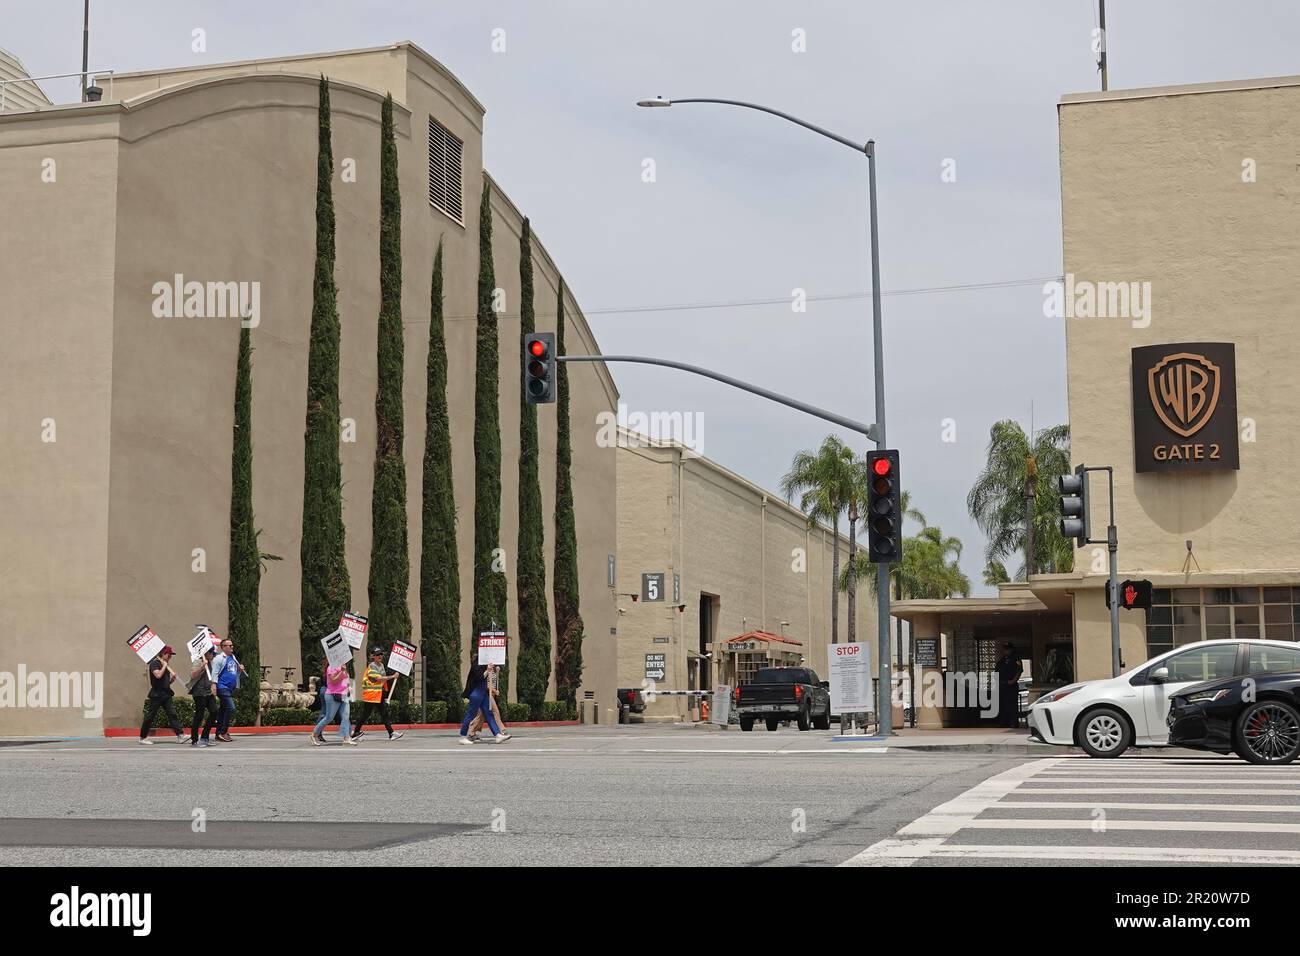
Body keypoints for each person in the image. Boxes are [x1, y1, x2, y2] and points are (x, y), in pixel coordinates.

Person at [352, 647, 403, 741]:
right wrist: (392, 676)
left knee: (384, 713)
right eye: (377, 655)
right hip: (371, 694)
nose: (380, 656)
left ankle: (391, 733)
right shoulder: (372, 666)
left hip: (378, 694)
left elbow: (383, 677)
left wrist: (394, 674)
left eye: (381, 654)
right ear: (373, 656)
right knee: (366, 714)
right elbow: (378, 678)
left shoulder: (381, 665)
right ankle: (356, 732)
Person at [139, 646, 186, 744]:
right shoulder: (154, 664)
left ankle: (180, 735)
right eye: (169, 655)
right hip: (157, 694)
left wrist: (171, 680)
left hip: (166, 694)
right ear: (163, 654)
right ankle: (143, 737)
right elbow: (158, 675)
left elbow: (164, 682)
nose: (170, 657)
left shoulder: (165, 664)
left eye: (171, 655)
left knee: (172, 714)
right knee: (150, 716)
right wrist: (165, 665)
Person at [459, 658, 510, 745]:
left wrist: (491, 670)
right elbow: (479, 678)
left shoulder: (484, 665)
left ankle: (497, 735)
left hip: (483, 693)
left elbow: (487, 680)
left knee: (489, 713)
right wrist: (488, 670)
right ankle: (463, 736)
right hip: (476, 693)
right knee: (470, 714)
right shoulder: (477, 665)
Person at [311, 660, 357, 746]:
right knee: (329, 717)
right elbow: (333, 681)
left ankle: (346, 738)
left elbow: (345, 680)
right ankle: (314, 735)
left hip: (344, 695)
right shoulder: (331, 667)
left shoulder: (343, 667)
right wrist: (342, 671)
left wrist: (348, 688)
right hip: (332, 695)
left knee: (345, 717)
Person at [213, 637, 247, 743]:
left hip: (230, 688)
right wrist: (214, 685)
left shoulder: (233, 657)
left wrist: (239, 669)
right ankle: (223, 732)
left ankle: (218, 733)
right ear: (223, 647)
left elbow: (233, 672)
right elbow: (214, 673)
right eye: (229, 645)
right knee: (230, 708)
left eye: (232, 645)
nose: (232, 647)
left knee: (223, 710)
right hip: (222, 687)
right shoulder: (219, 658)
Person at [187, 646, 220, 747]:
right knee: (199, 715)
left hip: (208, 692)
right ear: (206, 653)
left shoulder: (211, 663)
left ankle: (205, 737)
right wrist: (202, 666)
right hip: (199, 692)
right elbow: (192, 675)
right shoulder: (198, 662)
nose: (213, 656)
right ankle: (194, 739)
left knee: (214, 711)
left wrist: (213, 686)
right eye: (212, 654)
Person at [996, 642, 1024, 728]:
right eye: (1004, 649)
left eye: (1007, 649)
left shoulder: (1016, 659)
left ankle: (1013, 722)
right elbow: (997, 672)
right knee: (1002, 704)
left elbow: (1019, 671)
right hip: (1002, 685)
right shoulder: (1002, 660)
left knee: (1011, 705)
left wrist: (1013, 681)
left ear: (1011, 649)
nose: (1005, 651)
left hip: (1011, 686)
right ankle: (1003, 722)